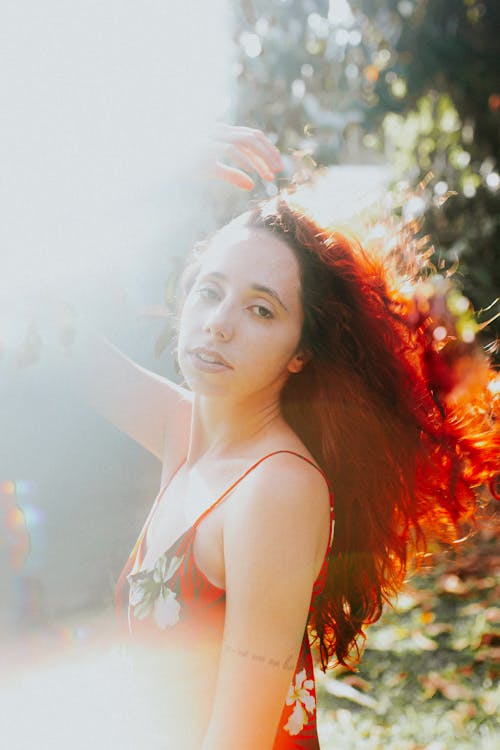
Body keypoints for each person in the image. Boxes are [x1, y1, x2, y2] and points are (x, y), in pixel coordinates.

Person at [62, 130, 498, 750]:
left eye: (261, 310)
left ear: (301, 353)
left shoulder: (277, 490)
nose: (219, 324)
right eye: (209, 292)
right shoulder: (188, 430)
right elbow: (49, 333)